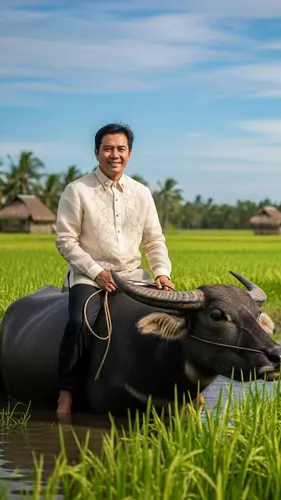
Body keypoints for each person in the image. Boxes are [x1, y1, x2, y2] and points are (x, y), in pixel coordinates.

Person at [54, 123, 174, 417]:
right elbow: (65, 241)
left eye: (121, 149)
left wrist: (161, 272)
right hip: (90, 277)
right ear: (96, 152)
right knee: (79, 322)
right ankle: (65, 393)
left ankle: (181, 389)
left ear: (130, 154)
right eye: (108, 148)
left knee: (172, 320)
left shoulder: (142, 193)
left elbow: (153, 239)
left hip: (134, 276)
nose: (114, 155)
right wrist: (97, 273)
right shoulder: (77, 190)